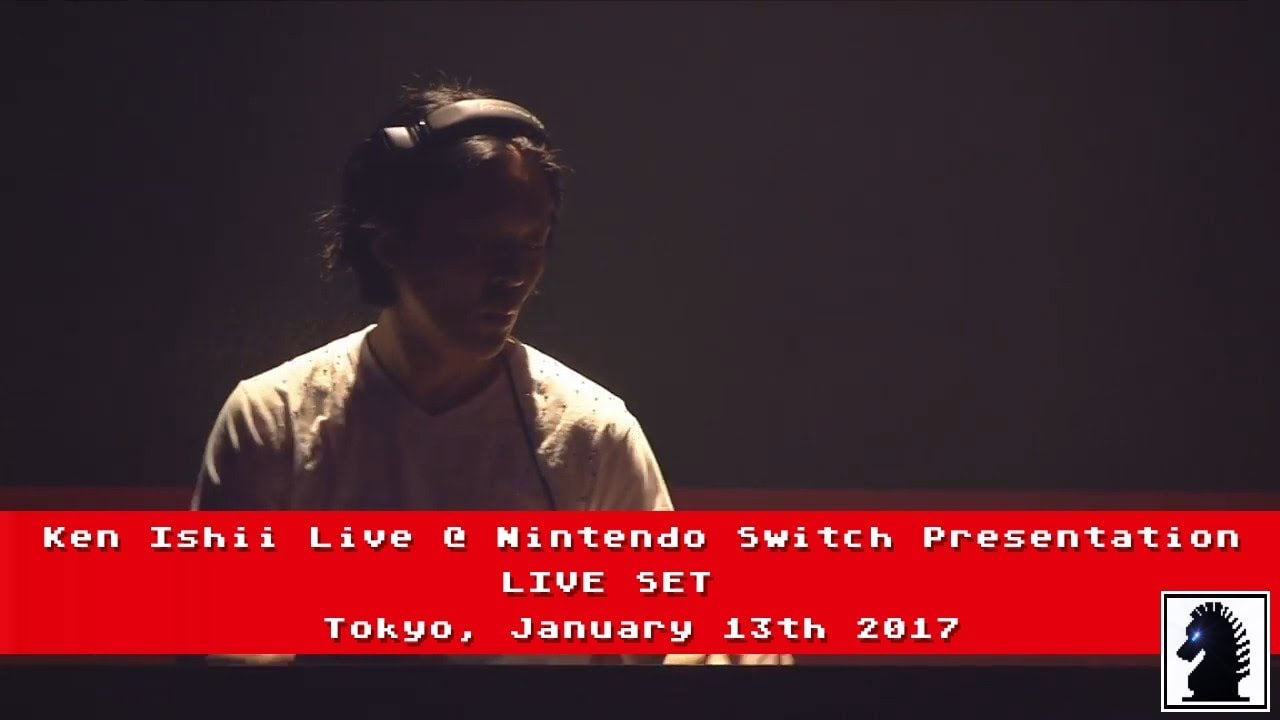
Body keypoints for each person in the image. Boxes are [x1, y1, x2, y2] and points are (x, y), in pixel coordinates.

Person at [191, 79, 790, 667]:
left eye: (532, 244)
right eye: (479, 242)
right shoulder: (275, 420)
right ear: (390, 242)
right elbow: (227, 658)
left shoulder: (591, 437)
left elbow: (667, 644)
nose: (513, 275)